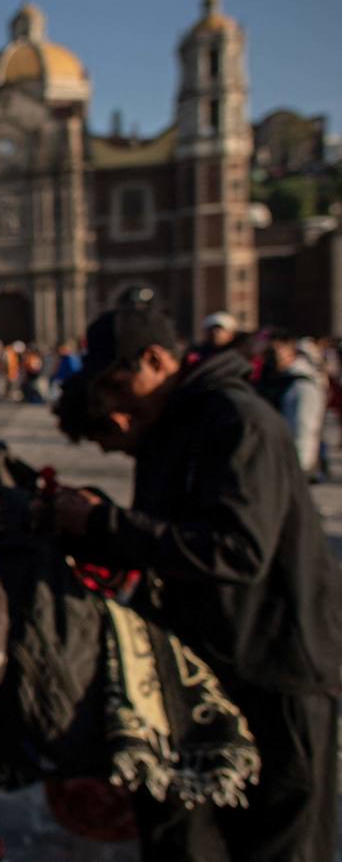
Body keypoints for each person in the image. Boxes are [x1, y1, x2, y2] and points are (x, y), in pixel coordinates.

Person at [52, 305, 342, 861]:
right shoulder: (171, 427)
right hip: (213, 666)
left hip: (281, 669)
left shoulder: (239, 420)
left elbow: (238, 549)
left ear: (157, 360)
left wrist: (104, 523)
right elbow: (163, 538)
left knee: (283, 841)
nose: (113, 403)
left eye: (117, 384)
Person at [259, 329, 328, 479]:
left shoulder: (301, 384)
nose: (273, 357)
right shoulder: (273, 378)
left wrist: (299, 469)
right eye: (269, 352)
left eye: (277, 352)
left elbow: (305, 428)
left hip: (290, 464)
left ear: (291, 352)